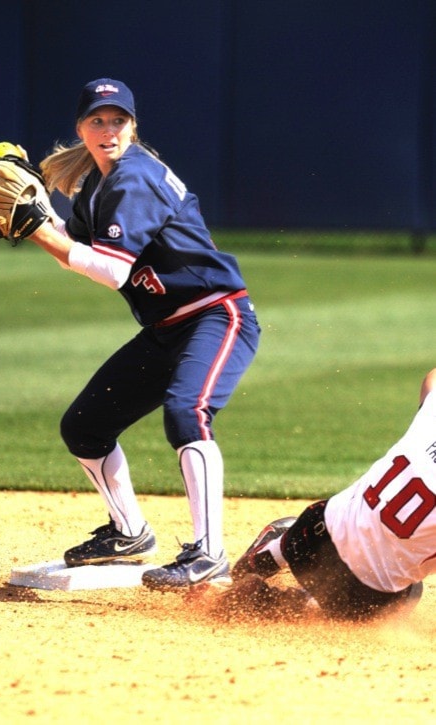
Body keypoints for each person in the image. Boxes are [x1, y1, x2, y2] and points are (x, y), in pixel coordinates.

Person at [23, 78, 260, 591]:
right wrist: (39, 220)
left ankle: (210, 553)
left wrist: (34, 229)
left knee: (186, 411)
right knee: (85, 425)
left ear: (133, 126)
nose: (108, 129)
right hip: (164, 329)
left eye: (118, 120)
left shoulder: (134, 177)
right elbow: (74, 245)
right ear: (80, 128)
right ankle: (128, 532)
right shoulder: (98, 186)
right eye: (97, 120)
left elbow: (109, 271)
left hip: (215, 316)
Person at [226, 369, 436, 620]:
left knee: (326, 525)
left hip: (311, 533)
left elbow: (432, 378)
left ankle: (260, 559)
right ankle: (293, 603)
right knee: (410, 591)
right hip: (360, 596)